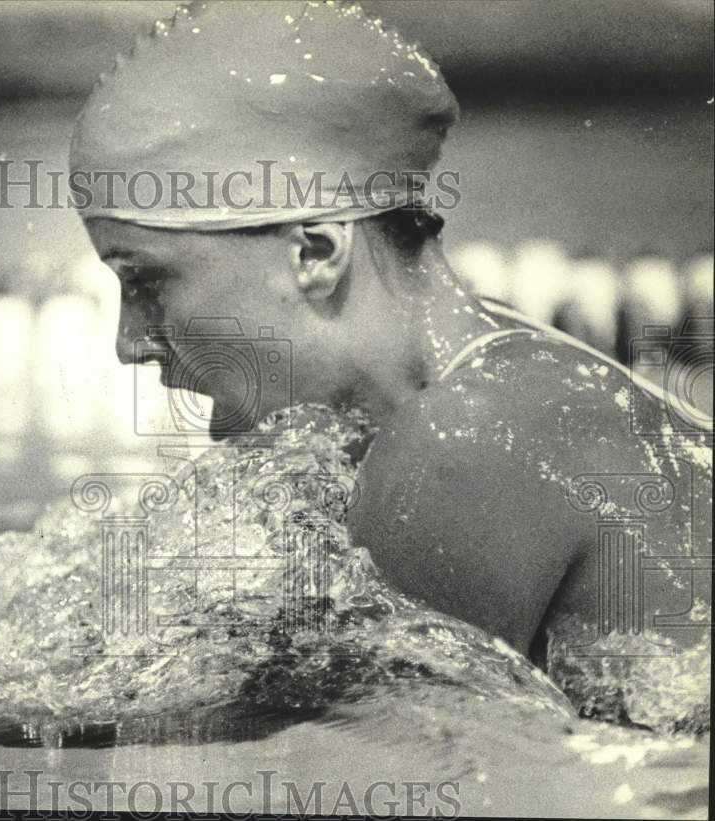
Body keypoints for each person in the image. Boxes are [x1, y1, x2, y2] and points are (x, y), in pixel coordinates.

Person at [69, 0, 711, 659]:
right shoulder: (499, 379)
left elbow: (352, 754)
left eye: (145, 281)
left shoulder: (465, 441)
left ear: (316, 252)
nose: (130, 341)